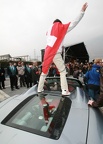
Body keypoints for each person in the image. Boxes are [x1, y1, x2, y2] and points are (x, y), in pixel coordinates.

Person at [37, 2, 88, 96]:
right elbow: (74, 23)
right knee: (62, 71)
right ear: (59, 23)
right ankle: (64, 90)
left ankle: (39, 89)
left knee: (44, 72)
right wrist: (82, 12)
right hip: (55, 52)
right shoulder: (61, 27)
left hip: (47, 52)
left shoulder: (48, 30)